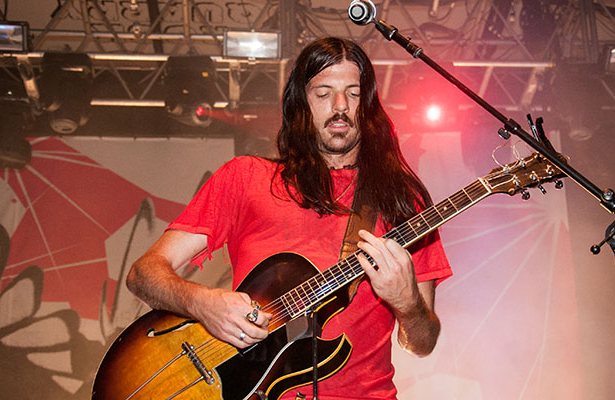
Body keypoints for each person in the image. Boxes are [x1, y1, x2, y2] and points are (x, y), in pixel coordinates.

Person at [126, 37, 452, 399]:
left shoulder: (402, 201)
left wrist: (406, 302)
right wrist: (201, 303)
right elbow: (144, 274)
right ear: (300, 104)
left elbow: (422, 343)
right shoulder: (245, 178)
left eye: (353, 93)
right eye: (323, 93)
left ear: (369, 105)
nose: (340, 106)